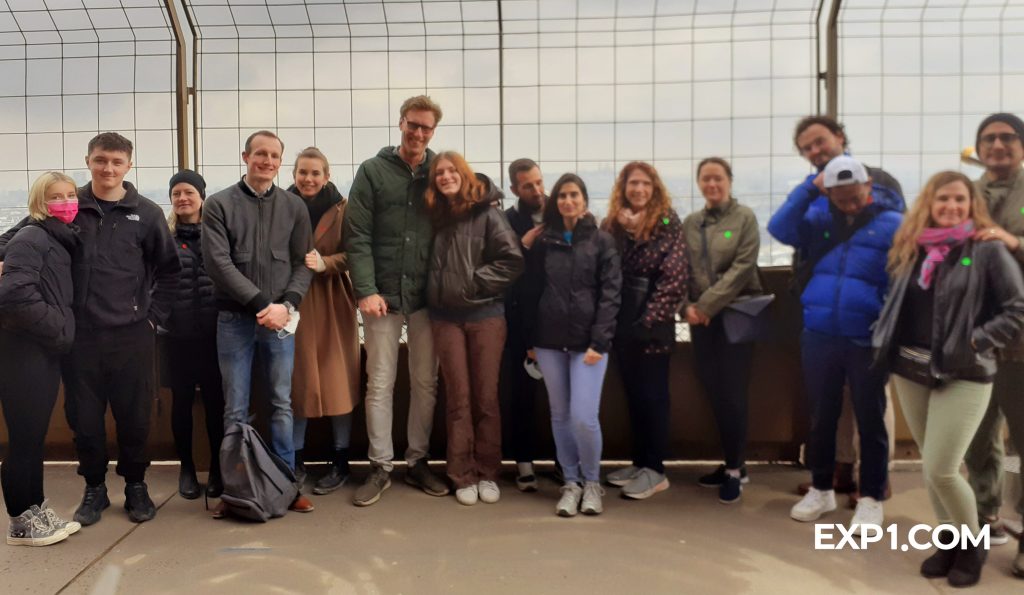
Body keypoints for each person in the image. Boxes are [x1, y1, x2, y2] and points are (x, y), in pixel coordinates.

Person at [0, 133, 181, 526]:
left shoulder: (147, 214)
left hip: (132, 334)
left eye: (117, 162)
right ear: (88, 161)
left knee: (135, 417)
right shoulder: (66, 206)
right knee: (84, 418)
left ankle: (136, 485)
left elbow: (170, 273)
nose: (108, 169)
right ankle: (94, 488)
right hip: (80, 338)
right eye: (101, 160)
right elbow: (10, 243)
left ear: (129, 166)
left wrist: (152, 319)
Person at [873, 170, 1024, 587]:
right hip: (910, 368)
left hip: (967, 371)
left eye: (959, 199)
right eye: (943, 199)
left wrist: (976, 341)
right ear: (929, 203)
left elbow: (1016, 307)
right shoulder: (911, 246)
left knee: (942, 469)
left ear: (971, 203)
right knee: (930, 468)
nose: (951, 207)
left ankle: (972, 546)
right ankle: (950, 542)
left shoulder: (986, 250)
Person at [768, 156, 900, 529]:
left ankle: (871, 497)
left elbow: (903, 278)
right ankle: (821, 488)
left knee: (870, 420)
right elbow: (779, 227)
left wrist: (885, 324)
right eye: (840, 199)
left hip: (866, 336)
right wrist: (811, 188)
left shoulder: (892, 224)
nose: (849, 205)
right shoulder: (819, 218)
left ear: (868, 189)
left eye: (855, 198)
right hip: (820, 333)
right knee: (822, 416)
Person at [343, 95, 449, 506]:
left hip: (428, 296)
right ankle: (381, 465)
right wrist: (365, 290)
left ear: (433, 132)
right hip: (382, 296)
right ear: (400, 123)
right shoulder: (372, 171)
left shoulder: (440, 171)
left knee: (426, 381)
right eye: (413, 125)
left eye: (426, 128)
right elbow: (358, 234)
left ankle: (418, 460)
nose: (418, 133)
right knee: (380, 382)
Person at [202, 130, 314, 516]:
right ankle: (236, 490)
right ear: (245, 156)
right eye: (259, 154)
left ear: (280, 162)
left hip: (281, 320)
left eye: (274, 156)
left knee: (281, 404)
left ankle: (285, 486)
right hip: (235, 320)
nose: (267, 161)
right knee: (235, 408)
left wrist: (287, 304)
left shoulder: (294, 207)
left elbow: (304, 262)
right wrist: (263, 304)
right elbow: (219, 264)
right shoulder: (218, 205)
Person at [424, 152, 523, 506]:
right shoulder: (435, 215)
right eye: (440, 173)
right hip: (444, 318)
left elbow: (511, 260)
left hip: (486, 316)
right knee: (458, 399)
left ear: (464, 175)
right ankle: (462, 474)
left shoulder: (488, 213)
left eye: (453, 171)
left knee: (485, 397)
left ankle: (487, 472)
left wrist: (472, 284)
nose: (446, 176)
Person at [527, 173, 621, 517]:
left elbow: (611, 295)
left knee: (584, 417)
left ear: (584, 200)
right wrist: (531, 341)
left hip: (588, 344)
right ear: (556, 202)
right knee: (561, 415)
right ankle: (570, 482)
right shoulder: (544, 242)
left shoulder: (601, 242)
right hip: (549, 341)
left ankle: (592, 482)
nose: (568, 200)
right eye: (563, 195)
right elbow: (531, 290)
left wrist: (600, 339)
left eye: (574, 194)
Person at [0, 172, 81, 545]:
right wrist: (57, 327)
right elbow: (15, 294)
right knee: (24, 439)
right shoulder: (33, 236)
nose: (65, 202)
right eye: (56, 197)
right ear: (39, 202)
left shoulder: (54, 236)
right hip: (23, 351)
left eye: (70, 195)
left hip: (41, 350)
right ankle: (20, 521)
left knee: (33, 438)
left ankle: (35, 508)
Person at [601, 162, 687, 500]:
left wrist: (647, 321)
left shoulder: (667, 221)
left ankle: (656, 470)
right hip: (622, 323)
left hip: (653, 327)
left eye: (645, 183)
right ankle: (640, 464)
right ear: (623, 188)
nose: (638, 189)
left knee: (654, 397)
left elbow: (674, 276)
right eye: (632, 183)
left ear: (655, 188)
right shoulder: (613, 225)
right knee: (634, 397)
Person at [682, 158, 763, 504]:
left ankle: (734, 469)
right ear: (699, 183)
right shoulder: (690, 222)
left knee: (733, 393)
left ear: (729, 181)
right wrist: (686, 305)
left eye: (718, 178)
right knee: (712, 390)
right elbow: (679, 266)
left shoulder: (744, 218)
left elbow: (743, 268)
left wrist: (705, 306)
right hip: (702, 321)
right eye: (706, 178)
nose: (712, 184)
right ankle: (734, 462)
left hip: (733, 316)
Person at [964, 113, 1024, 571]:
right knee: (978, 436)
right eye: (989, 138)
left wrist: (1014, 242)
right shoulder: (967, 194)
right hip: (976, 338)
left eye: (1008, 137)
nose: (998, 145)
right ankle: (986, 517)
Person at [287, 147, 360, 495]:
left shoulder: (345, 210)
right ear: (294, 174)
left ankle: (341, 460)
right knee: (296, 383)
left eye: (315, 173)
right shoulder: (281, 206)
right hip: (294, 303)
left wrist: (326, 263)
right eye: (303, 172)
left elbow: (356, 253)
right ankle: (295, 460)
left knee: (338, 381)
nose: (308, 179)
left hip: (333, 301)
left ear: (327, 176)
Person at [163, 170, 224, 500]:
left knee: (217, 403)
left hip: (216, 334)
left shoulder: (218, 234)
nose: (183, 198)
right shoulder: (164, 236)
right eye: (176, 193)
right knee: (181, 403)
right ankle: (186, 467)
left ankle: (216, 468)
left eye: (189, 192)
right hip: (178, 335)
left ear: (202, 196)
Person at [501, 158, 547, 491]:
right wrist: (524, 245)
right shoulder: (507, 221)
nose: (537, 190)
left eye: (539, 182)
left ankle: (564, 463)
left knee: (562, 398)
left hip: (557, 319)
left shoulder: (560, 214)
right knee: (522, 396)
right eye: (528, 185)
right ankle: (524, 463)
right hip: (518, 321)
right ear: (515, 189)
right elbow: (501, 268)